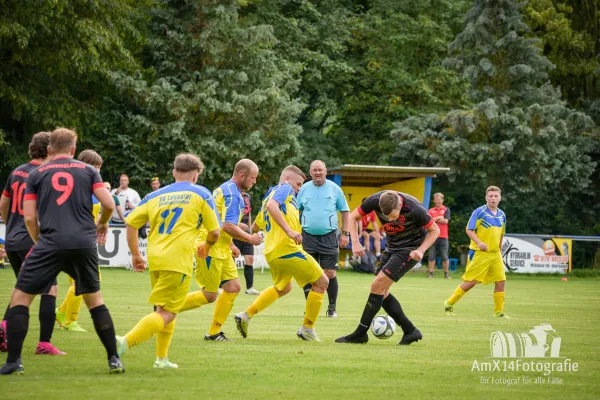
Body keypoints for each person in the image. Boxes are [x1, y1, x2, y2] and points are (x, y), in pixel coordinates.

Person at [0, 128, 124, 375]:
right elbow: (109, 204)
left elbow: (30, 217)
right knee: (94, 301)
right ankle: (113, 359)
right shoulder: (88, 170)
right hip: (83, 243)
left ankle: (14, 362)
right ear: (73, 149)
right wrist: (101, 223)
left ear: (49, 150)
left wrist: (39, 241)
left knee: (20, 299)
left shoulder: (36, 174)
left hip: (49, 242)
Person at [116, 153, 220, 368]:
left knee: (164, 308)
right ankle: (124, 342)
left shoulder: (155, 195)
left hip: (156, 258)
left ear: (174, 172)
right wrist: (206, 246)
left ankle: (161, 359)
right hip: (177, 259)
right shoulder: (200, 193)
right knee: (166, 312)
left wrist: (136, 254)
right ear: (196, 175)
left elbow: (131, 222)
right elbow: (215, 232)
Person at [234, 166, 329, 341]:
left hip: (273, 252)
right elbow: (272, 206)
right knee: (322, 282)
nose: (299, 188)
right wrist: (289, 231)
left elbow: (256, 225)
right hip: (287, 249)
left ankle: (245, 315)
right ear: (286, 179)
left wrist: (248, 235)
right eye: (298, 184)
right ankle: (307, 328)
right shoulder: (283, 189)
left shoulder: (269, 197)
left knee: (284, 288)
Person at [335, 190, 439, 345]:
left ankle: (360, 333)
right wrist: (355, 242)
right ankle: (410, 331)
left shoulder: (416, 209)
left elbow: (435, 230)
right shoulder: (374, 200)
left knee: (377, 285)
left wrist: (421, 250)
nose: (390, 220)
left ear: (400, 205)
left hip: (410, 249)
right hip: (392, 247)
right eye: (386, 216)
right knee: (381, 292)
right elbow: (353, 216)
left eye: (393, 216)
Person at [179, 159, 263, 341]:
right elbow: (226, 225)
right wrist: (250, 238)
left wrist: (231, 244)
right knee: (209, 295)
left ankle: (214, 332)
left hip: (221, 247)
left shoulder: (227, 189)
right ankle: (167, 306)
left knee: (233, 288)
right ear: (242, 176)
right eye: (253, 178)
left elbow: (220, 221)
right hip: (209, 248)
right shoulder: (232, 194)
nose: (254, 182)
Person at [0, 132, 66, 356]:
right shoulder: (45, 173)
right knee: (50, 288)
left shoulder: (16, 171)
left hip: (12, 239)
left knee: (23, 290)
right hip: (34, 239)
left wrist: (12, 226)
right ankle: (44, 344)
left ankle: (4, 330)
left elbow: (3, 203)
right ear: (50, 150)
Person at [55, 150, 104, 332]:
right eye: (96, 167)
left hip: (73, 238)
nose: (98, 171)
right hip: (80, 240)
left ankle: (65, 316)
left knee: (78, 281)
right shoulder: (86, 188)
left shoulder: (76, 186)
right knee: (87, 279)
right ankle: (66, 317)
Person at [296, 160, 349, 318]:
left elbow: (345, 211)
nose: (318, 172)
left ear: (326, 171)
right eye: (314, 170)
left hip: (330, 236)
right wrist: (294, 232)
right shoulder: (303, 189)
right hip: (307, 236)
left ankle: (331, 308)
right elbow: (296, 211)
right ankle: (310, 308)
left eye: (320, 170)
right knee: (308, 273)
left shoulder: (335, 189)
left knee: (330, 273)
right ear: (310, 172)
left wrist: (345, 234)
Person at [444, 186, 507, 317]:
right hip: (480, 253)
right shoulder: (479, 212)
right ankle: (449, 303)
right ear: (486, 198)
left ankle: (499, 312)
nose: (493, 199)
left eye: (496, 196)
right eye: (491, 196)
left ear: (500, 198)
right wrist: (479, 243)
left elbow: (501, 233)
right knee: (471, 282)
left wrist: (499, 250)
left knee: (501, 281)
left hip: (495, 254)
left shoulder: (502, 215)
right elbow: (469, 229)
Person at [233, 190, 260, 295]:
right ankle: (222, 286)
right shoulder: (232, 195)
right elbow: (227, 215)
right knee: (230, 259)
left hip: (246, 234)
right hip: (234, 232)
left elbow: (248, 214)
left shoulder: (247, 196)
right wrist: (238, 224)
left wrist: (250, 230)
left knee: (250, 258)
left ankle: (250, 288)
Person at [427, 192, 451, 279]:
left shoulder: (446, 209)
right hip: (432, 236)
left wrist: (434, 219)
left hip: (443, 236)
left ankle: (446, 274)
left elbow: (446, 221)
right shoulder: (430, 211)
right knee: (431, 255)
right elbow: (428, 221)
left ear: (442, 200)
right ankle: (431, 274)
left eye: (439, 199)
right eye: (436, 200)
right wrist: (438, 218)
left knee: (444, 256)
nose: (437, 201)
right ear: (434, 200)